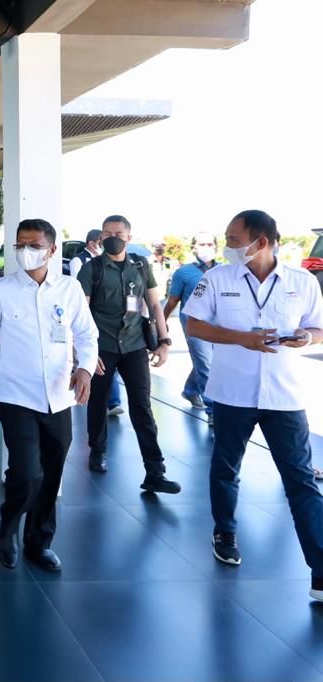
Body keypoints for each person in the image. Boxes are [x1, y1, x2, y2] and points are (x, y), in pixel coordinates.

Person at [183, 209, 323, 601]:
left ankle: (321, 569)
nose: (226, 247)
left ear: (260, 242)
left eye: (232, 239)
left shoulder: (302, 281)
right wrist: (239, 338)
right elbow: (193, 325)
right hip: (232, 393)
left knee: (301, 481)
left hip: (285, 396)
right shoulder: (215, 279)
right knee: (225, 467)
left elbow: (318, 327)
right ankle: (224, 532)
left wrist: (305, 339)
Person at [0, 219, 98, 572]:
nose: (26, 251)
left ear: (52, 250)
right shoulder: (0, 291)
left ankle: (40, 542)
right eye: (21, 244)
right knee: (26, 472)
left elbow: (86, 335)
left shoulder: (68, 289)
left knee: (52, 473)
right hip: (14, 395)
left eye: (34, 245)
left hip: (58, 396)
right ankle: (8, 531)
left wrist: (84, 368)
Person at [76, 215, 181, 494]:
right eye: (107, 232)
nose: (113, 237)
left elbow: (155, 304)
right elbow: (81, 314)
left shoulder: (140, 265)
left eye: (119, 233)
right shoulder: (92, 269)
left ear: (129, 237)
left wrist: (165, 340)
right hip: (103, 346)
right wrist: (86, 352)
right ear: (100, 236)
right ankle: (97, 451)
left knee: (142, 407)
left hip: (134, 345)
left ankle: (155, 471)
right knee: (97, 403)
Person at [163, 232, 218, 423]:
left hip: (219, 328)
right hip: (194, 326)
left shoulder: (224, 270)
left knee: (208, 363)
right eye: (201, 244)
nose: (206, 247)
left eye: (210, 244)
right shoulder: (184, 272)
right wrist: (162, 325)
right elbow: (172, 302)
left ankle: (190, 390)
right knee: (207, 366)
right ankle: (213, 412)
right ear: (193, 248)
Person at [69, 229, 122, 416]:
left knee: (106, 363)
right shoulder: (79, 261)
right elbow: (81, 292)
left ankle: (113, 401)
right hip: (88, 317)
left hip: (110, 322)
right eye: (102, 240)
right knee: (95, 360)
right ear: (92, 243)